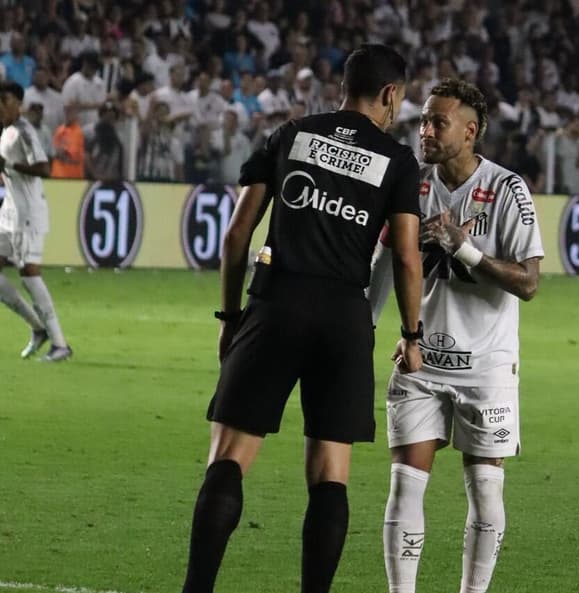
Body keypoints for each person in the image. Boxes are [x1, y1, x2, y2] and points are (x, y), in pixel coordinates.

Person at [180, 43, 424, 593]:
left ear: (343, 87)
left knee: (229, 458)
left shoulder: (290, 135)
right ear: (389, 95)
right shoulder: (397, 160)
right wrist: (412, 334)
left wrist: (230, 314)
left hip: (277, 301)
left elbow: (238, 233)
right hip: (343, 316)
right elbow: (407, 256)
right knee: (329, 474)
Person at [367, 78, 544, 593]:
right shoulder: (409, 183)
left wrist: (464, 249)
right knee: (404, 486)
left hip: (486, 366)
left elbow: (529, 283)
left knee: (486, 495)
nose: (425, 130)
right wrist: (366, 329)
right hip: (418, 360)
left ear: (469, 131)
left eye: (437, 122)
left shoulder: (508, 189)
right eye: (423, 120)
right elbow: (383, 264)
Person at [0, 81, 72, 362]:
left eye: (5, 100)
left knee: (29, 273)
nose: (0, 106)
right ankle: (37, 328)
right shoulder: (5, 132)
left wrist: (8, 166)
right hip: (9, 213)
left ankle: (60, 344)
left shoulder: (25, 132)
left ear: (18, 103)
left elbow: (45, 168)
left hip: (28, 214)